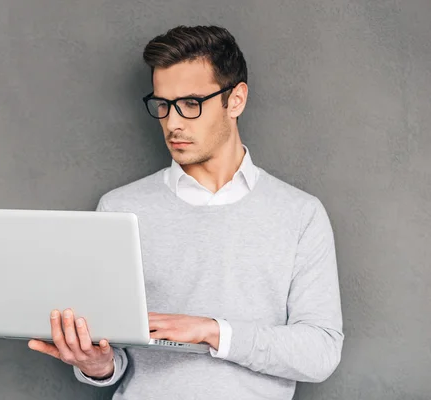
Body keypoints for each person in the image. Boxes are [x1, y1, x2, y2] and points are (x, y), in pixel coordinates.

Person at [28, 25, 344, 399]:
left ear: (236, 100)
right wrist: (98, 365)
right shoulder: (121, 208)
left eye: (191, 103)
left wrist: (212, 330)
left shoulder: (300, 214)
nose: (173, 122)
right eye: (163, 104)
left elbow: (320, 352)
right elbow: (116, 356)